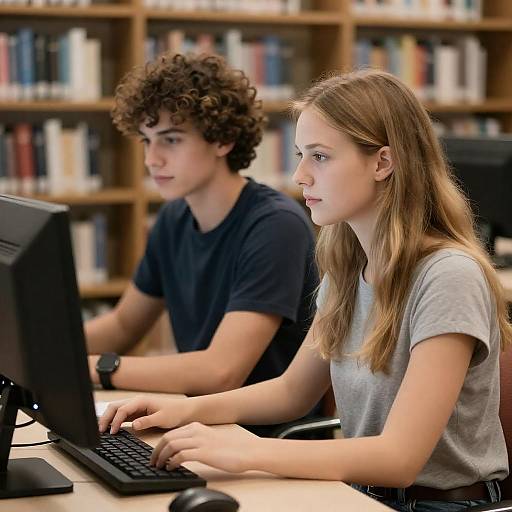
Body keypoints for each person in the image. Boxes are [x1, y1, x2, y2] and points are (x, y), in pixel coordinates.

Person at [98, 69, 511, 511]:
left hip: (441, 505)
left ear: (382, 163)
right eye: (300, 155)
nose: (299, 176)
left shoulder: (447, 276)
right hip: (361, 494)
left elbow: (399, 458)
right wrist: (182, 410)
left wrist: (249, 453)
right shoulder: (349, 268)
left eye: (319, 157)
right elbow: (292, 392)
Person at [86, 53, 319, 435]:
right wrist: (39, 349)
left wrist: (96, 367)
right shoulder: (174, 218)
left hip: (262, 439)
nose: (151, 159)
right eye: (146, 140)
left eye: (171, 140)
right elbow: (124, 323)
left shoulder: (275, 226)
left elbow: (220, 371)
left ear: (223, 139)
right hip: (195, 426)